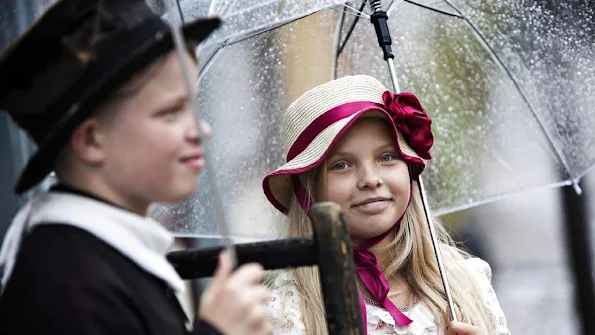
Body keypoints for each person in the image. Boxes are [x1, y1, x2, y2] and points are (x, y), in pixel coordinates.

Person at [0, 1, 271, 334]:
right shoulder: (65, 282)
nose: (202, 129)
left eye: (193, 106)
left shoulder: (110, 256)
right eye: (171, 111)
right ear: (92, 141)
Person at [262, 75, 510, 334]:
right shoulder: (283, 313)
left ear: (409, 170)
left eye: (386, 157)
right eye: (341, 165)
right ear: (307, 192)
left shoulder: (464, 285)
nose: (370, 179)